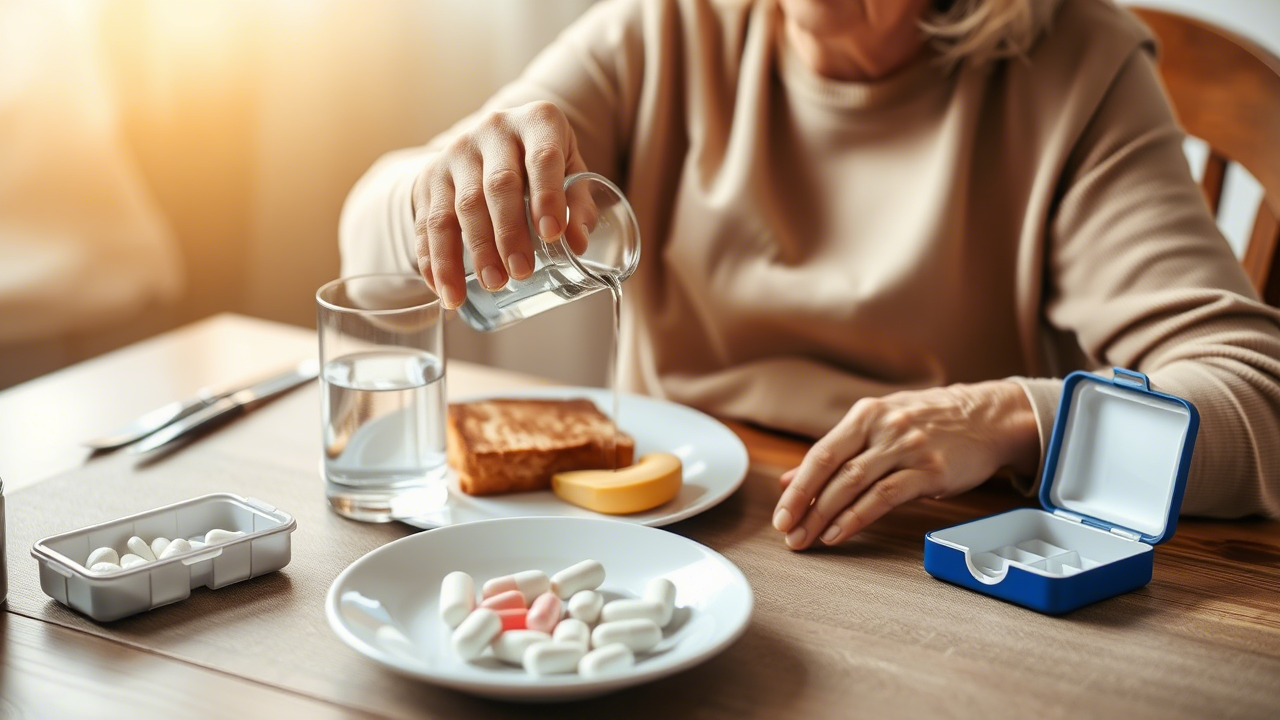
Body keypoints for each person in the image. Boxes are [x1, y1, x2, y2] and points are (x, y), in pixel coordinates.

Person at [340, 0, 1280, 549]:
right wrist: (443, 186)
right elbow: (376, 264)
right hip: (660, 544)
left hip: (928, 555)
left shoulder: (1078, 66)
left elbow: (1255, 402)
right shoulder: (667, 25)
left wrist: (1007, 417)